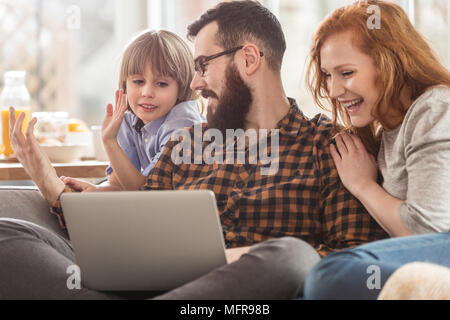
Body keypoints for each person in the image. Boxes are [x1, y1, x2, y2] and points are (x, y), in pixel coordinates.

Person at [2, 0, 386, 300]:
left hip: (243, 296)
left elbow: (350, 262)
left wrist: (229, 261)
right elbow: (124, 227)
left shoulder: (328, 147)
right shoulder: (185, 144)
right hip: (148, 283)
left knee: (292, 257)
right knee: (10, 234)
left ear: (249, 59)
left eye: (203, 65)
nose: (196, 82)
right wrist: (42, 172)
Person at [303, 0, 450, 300]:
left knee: (331, 273)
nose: (332, 90)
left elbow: (428, 232)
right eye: (328, 75)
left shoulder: (435, 109)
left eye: (346, 73)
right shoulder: (384, 132)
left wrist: (362, 185)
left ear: (389, 63)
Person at [61, 30, 205, 192]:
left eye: (162, 84)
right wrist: (95, 191)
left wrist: (110, 142)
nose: (147, 92)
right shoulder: (129, 120)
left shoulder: (183, 124)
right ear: (125, 85)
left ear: (182, 87)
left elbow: (145, 192)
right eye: (138, 81)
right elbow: (119, 184)